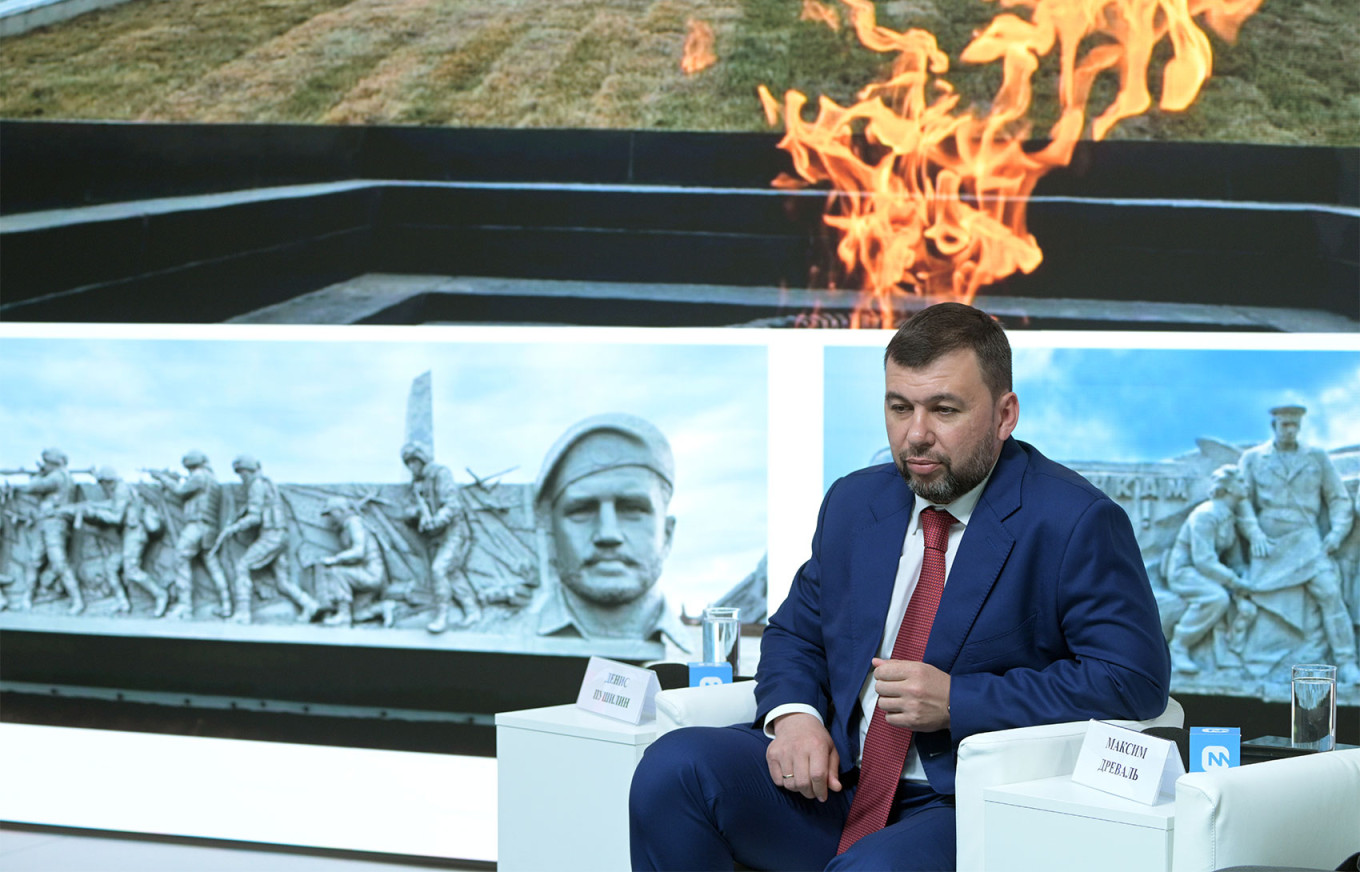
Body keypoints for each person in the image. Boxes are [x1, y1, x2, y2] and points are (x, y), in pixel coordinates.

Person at [629, 302, 1170, 872]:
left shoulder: (1074, 520)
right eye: (899, 407)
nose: (916, 435)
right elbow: (796, 633)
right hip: (839, 781)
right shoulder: (854, 501)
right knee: (673, 769)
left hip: (960, 801)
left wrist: (958, 701)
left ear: (1005, 415)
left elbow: (1131, 679)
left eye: (944, 410)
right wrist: (794, 717)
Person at [532, 414, 688, 648]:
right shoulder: (502, 635)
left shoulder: (706, 652)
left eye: (632, 509)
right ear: (550, 535)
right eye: (582, 510)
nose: (608, 534)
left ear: (667, 534)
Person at [1236, 405, 1358, 684]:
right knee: (1247, 596)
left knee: (1330, 593)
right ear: (1274, 426)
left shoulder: (1316, 457)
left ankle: (1347, 661)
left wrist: (1337, 533)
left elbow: (1338, 498)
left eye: (1294, 425)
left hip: (1306, 540)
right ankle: (1241, 661)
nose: (1290, 429)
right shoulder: (1254, 458)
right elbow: (1241, 501)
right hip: (1269, 544)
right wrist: (1254, 534)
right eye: (1284, 424)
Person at [1164, 465, 1248, 673]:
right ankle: (1179, 645)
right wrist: (1233, 582)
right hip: (1185, 572)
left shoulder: (1228, 517)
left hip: (1209, 574)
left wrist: (1245, 579)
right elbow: (1203, 560)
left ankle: (1225, 652)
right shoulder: (1206, 514)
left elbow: (1236, 561)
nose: (1245, 485)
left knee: (1244, 605)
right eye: (1240, 481)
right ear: (1227, 488)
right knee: (1216, 598)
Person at [216, 455, 318, 624]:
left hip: (272, 535)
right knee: (282, 581)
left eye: (242, 474)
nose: (242, 479)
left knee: (242, 566)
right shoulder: (267, 484)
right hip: (280, 535)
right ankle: (309, 604)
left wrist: (235, 527)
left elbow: (255, 517)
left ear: (248, 471)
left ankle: (243, 613)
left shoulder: (257, 486)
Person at [61, 466, 169, 616]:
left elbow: (116, 517)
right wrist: (90, 505)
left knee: (131, 570)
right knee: (111, 567)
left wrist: (95, 513)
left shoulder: (121, 489)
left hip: (135, 533)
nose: (101, 487)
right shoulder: (119, 489)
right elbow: (112, 504)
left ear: (107, 482)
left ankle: (160, 594)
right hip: (128, 533)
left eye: (101, 483)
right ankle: (122, 603)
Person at [399, 442, 480, 633]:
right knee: (452, 573)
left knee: (439, 570)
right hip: (437, 536)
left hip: (454, 532)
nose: (411, 467)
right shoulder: (417, 484)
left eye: (414, 462)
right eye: (408, 463)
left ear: (422, 459)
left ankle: (443, 615)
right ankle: (472, 610)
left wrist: (437, 520)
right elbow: (409, 511)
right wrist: (417, 513)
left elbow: (452, 505)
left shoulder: (441, 474)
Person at [149, 450, 230, 620]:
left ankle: (185, 606)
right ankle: (226, 603)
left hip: (197, 525)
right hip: (209, 527)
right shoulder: (212, 479)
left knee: (180, 558)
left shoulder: (200, 476)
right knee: (212, 563)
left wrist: (163, 478)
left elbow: (180, 491)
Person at [16, 448, 84, 614]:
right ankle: (27, 597)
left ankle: (77, 600)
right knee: (34, 560)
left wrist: (38, 475)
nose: (44, 465)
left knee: (59, 562)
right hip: (46, 522)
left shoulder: (57, 476)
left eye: (46, 463)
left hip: (54, 523)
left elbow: (31, 488)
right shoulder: (63, 476)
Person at [314, 496, 394, 628]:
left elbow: (358, 551)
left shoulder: (354, 523)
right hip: (367, 574)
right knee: (358, 615)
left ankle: (343, 614)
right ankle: (385, 607)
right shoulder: (348, 526)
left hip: (371, 574)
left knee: (336, 572)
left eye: (331, 513)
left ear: (340, 511)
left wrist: (335, 559)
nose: (330, 518)